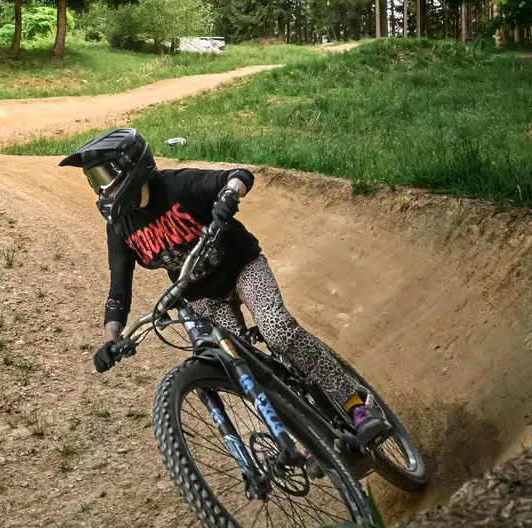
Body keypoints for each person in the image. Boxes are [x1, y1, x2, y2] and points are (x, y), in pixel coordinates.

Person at [58, 128, 392, 446]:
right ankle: (310, 435)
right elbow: (119, 290)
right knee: (238, 369)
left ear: (130, 167)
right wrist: (112, 340)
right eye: (94, 183)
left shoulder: (176, 185)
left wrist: (229, 196)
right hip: (201, 298)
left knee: (277, 330)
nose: (102, 192)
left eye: (105, 178)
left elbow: (238, 174)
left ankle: (356, 405)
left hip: (242, 267)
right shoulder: (120, 228)